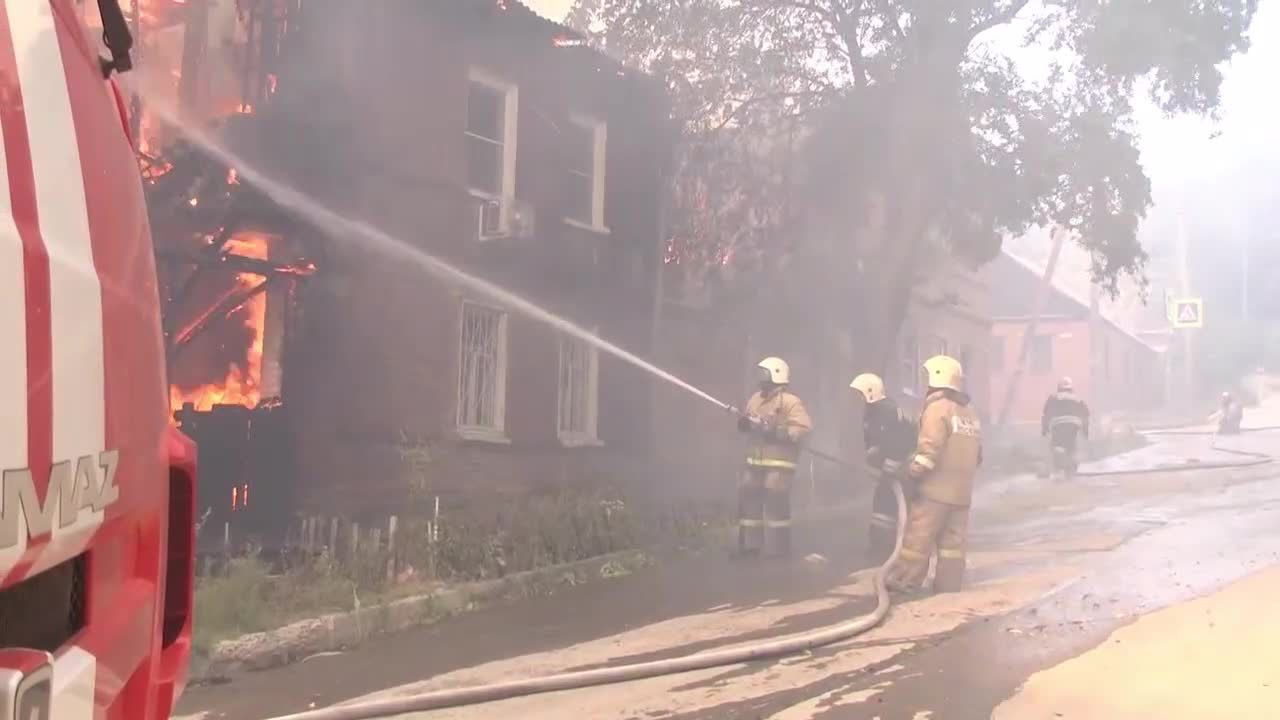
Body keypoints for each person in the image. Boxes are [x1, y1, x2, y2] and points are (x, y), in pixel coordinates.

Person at [885, 355, 983, 594]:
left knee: (917, 540)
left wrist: (910, 472)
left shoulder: (938, 408)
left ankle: (904, 582)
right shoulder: (969, 412)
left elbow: (929, 449)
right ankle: (948, 587)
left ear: (936, 378)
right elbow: (978, 455)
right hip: (961, 493)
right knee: (953, 545)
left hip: (935, 491)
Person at [736, 357, 813, 558]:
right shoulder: (755, 398)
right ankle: (750, 547)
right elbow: (748, 419)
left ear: (777, 375)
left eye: (765, 374)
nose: (760, 379)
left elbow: (802, 427)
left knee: (775, 498)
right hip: (754, 461)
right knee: (749, 497)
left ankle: (779, 549)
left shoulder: (790, 401)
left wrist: (779, 432)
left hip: (779, 464)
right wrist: (744, 423)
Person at [850, 373, 918, 565]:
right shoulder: (872, 411)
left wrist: (890, 466)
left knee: (893, 506)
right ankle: (880, 548)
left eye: (861, 393)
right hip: (889, 468)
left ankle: (895, 550)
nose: (859, 398)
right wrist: (873, 459)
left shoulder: (887, 410)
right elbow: (875, 439)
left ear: (870, 392)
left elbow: (899, 440)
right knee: (882, 507)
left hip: (901, 468)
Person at [1041, 377, 1090, 480]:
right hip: (1073, 426)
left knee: (1057, 446)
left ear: (1059, 387)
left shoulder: (1053, 397)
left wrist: (1044, 429)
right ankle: (1071, 470)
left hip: (1058, 426)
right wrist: (1085, 432)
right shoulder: (1077, 398)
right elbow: (1086, 414)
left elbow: (1046, 414)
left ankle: (1059, 469)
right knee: (1070, 447)